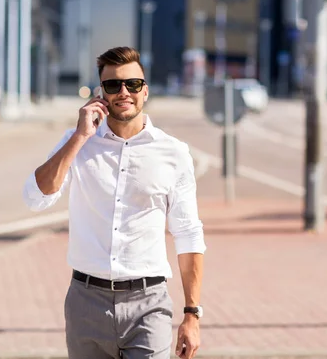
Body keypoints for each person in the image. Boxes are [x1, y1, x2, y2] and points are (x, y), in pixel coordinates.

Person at [22, 47, 206, 359]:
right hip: (85, 303)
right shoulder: (77, 142)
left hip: (149, 304)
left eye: (132, 84)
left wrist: (191, 315)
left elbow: (188, 234)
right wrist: (80, 137)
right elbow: (35, 198)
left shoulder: (173, 153)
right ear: (100, 95)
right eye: (113, 85)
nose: (124, 92)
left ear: (144, 91)